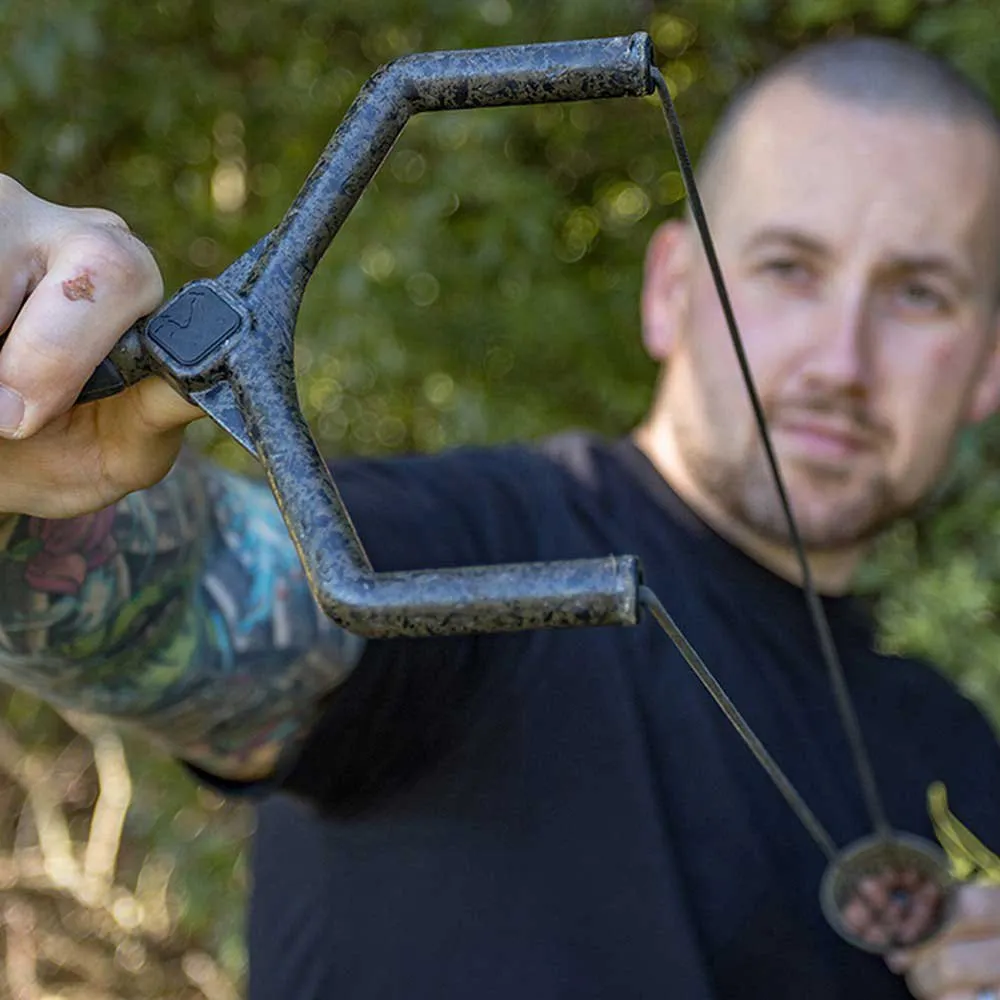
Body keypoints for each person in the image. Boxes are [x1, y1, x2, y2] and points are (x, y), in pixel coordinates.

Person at [0, 31, 999, 1000]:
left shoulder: (960, 761)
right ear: (670, 291)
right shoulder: (471, 540)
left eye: (919, 293)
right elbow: (188, 596)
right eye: (789, 268)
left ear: (989, 362)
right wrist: (24, 482)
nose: (842, 361)